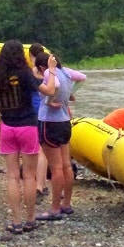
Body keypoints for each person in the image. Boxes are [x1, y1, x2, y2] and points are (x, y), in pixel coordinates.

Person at [0, 40, 56, 234]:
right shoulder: (25, 74)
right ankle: (30, 219)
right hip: (27, 127)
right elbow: (49, 91)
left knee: (12, 176)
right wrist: (52, 71)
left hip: (7, 127)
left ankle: (16, 221)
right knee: (29, 176)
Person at [35, 52, 86, 221]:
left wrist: (50, 101)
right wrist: (70, 93)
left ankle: (55, 208)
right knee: (66, 166)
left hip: (49, 122)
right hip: (65, 121)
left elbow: (53, 85)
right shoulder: (66, 72)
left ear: (42, 67)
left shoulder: (50, 73)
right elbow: (82, 77)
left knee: (55, 168)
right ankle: (67, 204)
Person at [28, 43, 49, 200]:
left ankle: (39, 185)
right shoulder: (49, 72)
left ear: (30, 55)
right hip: (46, 112)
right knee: (44, 150)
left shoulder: (32, 72)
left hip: (36, 111)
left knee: (39, 150)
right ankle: (42, 184)